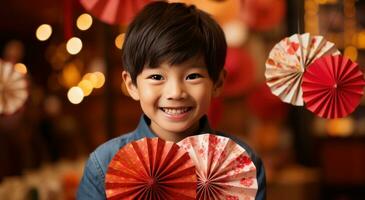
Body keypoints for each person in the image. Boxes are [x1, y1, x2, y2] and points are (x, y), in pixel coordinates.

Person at [77, 1, 266, 199]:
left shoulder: (241, 164)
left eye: (192, 76)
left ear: (217, 82)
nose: (175, 92)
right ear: (132, 85)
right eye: (157, 77)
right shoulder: (104, 165)